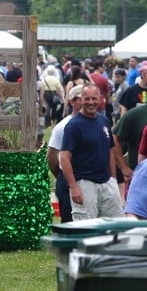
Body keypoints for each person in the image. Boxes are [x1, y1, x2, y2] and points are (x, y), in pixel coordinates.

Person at [58, 84, 122, 220]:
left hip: (107, 182)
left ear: (100, 99)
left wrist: (113, 179)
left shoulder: (103, 120)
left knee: (115, 224)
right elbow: (64, 158)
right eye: (87, 99)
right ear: (81, 99)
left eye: (94, 98)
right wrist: (73, 186)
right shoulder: (74, 125)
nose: (91, 102)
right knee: (86, 227)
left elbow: (110, 151)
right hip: (85, 183)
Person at [46, 85, 84, 223]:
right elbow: (51, 156)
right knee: (69, 222)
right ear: (73, 101)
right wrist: (62, 176)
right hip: (68, 179)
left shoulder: (98, 122)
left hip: (89, 179)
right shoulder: (62, 127)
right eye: (83, 98)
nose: (89, 102)